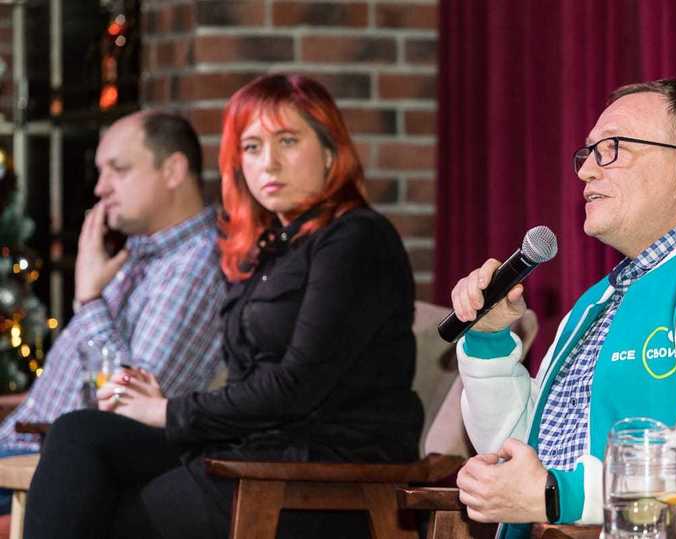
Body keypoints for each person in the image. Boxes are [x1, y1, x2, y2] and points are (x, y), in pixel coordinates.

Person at [23, 73, 424, 539]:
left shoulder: (357, 239)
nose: (269, 163)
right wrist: (158, 403)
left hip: (322, 474)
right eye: (252, 147)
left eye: (288, 141)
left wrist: (168, 411)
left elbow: (295, 387)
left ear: (330, 151)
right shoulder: (273, 248)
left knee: (110, 510)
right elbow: (248, 381)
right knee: (79, 434)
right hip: (254, 451)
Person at [449, 79, 676, 537]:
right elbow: (516, 451)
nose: (586, 171)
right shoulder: (597, 301)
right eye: (588, 154)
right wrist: (488, 341)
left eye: (612, 148)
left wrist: (560, 495)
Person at [0, 112, 224, 451]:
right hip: (20, 450)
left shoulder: (194, 265)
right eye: (101, 171)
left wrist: (90, 298)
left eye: (118, 169)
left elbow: (126, 405)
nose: (100, 188)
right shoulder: (140, 253)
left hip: (44, 463)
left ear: (173, 171)